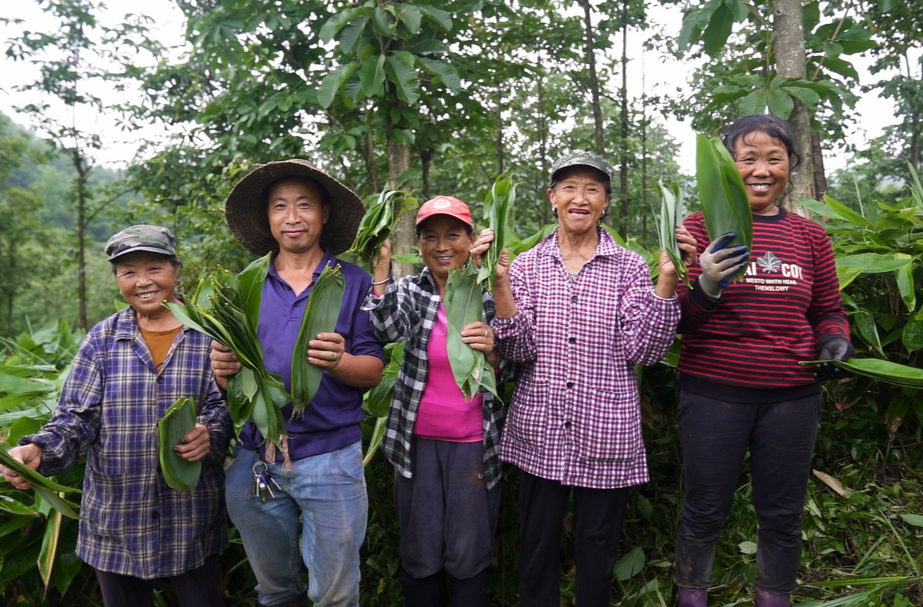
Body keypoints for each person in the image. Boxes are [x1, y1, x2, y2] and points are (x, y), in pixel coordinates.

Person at [490, 151, 688, 606]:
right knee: (537, 546)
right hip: (541, 428)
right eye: (570, 188)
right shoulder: (525, 266)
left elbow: (646, 351)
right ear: (552, 198)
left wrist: (667, 281)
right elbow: (518, 350)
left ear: (606, 202)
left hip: (606, 430)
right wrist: (500, 286)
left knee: (596, 547)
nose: (580, 198)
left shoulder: (631, 267)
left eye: (593, 189)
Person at [672, 114, 853, 607]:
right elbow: (677, 321)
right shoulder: (695, 227)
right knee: (705, 506)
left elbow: (828, 311)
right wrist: (707, 282)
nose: (761, 169)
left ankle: (774, 596)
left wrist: (835, 340)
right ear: (728, 167)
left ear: (790, 167)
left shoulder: (809, 237)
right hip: (714, 393)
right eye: (748, 158)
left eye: (774, 158)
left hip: (792, 396)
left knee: (782, 510)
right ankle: (691, 593)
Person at [0, 225, 232, 607]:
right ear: (117, 278)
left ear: (176, 269)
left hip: (191, 519)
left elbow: (227, 407)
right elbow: (76, 417)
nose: (142, 281)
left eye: (155, 268)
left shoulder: (211, 334)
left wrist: (211, 433)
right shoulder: (102, 340)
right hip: (115, 519)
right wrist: (38, 452)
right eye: (128, 272)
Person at [211, 159, 384, 607]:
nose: (293, 217)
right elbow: (229, 381)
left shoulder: (353, 281)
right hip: (255, 457)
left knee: (335, 594)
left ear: (324, 213)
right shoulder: (246, 285)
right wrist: (221, 369)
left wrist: (340, 361)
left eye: (304, 205)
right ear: (267, 218)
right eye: (280, 206)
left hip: (331, 459)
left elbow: (373, 370)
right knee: (273, 591)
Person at [362, 196, 504, 607]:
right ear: (419, 244)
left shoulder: (488, 292)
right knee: (420, 546)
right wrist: (382, 267)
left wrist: (495, 353)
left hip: (474, 442)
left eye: (453, 235)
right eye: (430, 237)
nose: (442, 245)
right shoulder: (410, 290)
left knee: (469, 546)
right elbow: (385, 328)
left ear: (471, 239)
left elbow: (514, 365)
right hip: (416, 441)